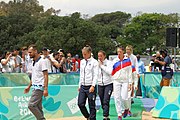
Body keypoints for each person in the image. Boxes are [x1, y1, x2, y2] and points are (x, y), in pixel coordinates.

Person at [24, 44, 48, 120]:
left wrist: (45, 89)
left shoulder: (42, 61)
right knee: (38, 107)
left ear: (35, 51)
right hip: (35, 87)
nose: (29, 54)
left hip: (39, 87)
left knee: (31, 105)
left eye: (30, 52)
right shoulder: (33, 62)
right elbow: (34, 76)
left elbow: (46, 75)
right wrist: (29, 86)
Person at [78, 45, 98, 120]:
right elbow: (81, 74)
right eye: (83, 54)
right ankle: (88, 116)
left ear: (89, 53)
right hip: (83, 86)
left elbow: (96, 75)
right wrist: (79, 85)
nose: (84, 56)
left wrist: (93, 85)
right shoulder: (82, 62)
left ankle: (93, 118)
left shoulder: (94, 62)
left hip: (90, 86)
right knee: (80, 103)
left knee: (92, 105)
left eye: (85, 54)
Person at [112, 46, 132, 120]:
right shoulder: (115, 60)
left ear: (123, 52)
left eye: (120, 52)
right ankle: (119, 114)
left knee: (124, 97)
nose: (119, 53)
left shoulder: (127, 60)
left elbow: (130, 72)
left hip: (125, 81)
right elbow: (112, 71)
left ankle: (126, 108)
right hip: (116, 80)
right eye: (118, 52)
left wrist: (130, 83)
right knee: (117, 97)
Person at [97, 50, 113, 120]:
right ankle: (106, 114)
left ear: (104, 56)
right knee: (102, 100)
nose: (99, 57)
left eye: (101, 56)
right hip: (100, 84)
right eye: (98, 56)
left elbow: (110, 72)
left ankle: (105, 116)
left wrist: (102, 66)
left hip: (108, 84)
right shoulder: (96, 64)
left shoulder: (109, 63)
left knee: (106, 100)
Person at [125, 45, 139, 117]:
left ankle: (129, 108)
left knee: (129, 93)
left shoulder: (134, 57)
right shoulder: (124, 56)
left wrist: (137, 73)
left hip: (132, 73)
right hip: (125, 75)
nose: (127, 51)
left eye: (129, 50)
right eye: (126, 49)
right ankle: (125, 108)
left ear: (131, 50)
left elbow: (136, 66)